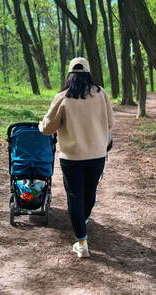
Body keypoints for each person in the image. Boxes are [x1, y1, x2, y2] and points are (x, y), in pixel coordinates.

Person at [39, 57, 115, 258]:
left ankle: (82, 243)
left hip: (72, 157)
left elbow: (48, 129)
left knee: (74, 196)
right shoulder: (101, 94)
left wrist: (40, 124)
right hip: (97, 154)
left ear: (69, 74)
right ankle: (83, 220)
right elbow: (110, 122)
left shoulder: (63, 97)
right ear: (89, 73)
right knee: (90, 192)